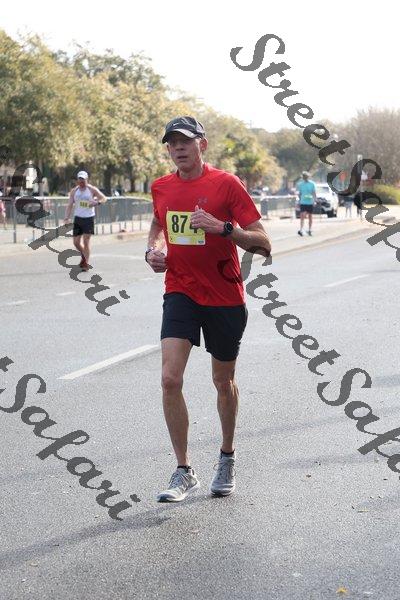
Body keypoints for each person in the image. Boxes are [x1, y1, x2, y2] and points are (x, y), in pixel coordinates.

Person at [146, 116, 271, 503]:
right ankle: (184, 470)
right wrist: (154, 250)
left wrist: (224, 228)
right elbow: (158, 224)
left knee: (222, 381)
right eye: (172, 143)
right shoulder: (161, 187)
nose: (178, 148)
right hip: (180, 291)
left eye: (185, 141)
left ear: (202, 144)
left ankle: (227, 457)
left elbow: (264, 243)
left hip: (224, 296)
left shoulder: (226, 184)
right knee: (170, 379)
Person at [64, 171, 106, 270]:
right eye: (80, 179)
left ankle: (85, 263)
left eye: (83, 180)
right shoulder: (74, 191)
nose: (81, 182)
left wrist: (96, 203)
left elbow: (104, 198)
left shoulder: (92, 189)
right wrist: (66, 218)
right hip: (78, 218)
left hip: (88, 218)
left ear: (87, 180)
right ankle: (84, 255)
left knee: (86, 241)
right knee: (76, 242)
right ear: (77, 180)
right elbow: (70, 205)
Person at [296, 171, 316, 236]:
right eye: (304, 177)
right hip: (303, 202)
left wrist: (314, 201)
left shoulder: (312, 184)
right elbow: (300, 193)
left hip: (310, 202)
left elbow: (314, 193)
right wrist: (299, 201)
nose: (305, 178)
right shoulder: (300, 184)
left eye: (306, 176)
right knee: (302, 216)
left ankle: (310, 230)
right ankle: (301, 230)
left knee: (310, 216)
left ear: (308, 177)